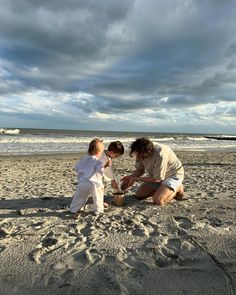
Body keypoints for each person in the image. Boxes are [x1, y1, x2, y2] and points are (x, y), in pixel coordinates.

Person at [121, 137, 184, 205]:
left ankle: (178, 187)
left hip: (173, 175)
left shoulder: (160, 153)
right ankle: (163, 189)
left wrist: (136, 179)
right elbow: (140, 170)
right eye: (138, 155)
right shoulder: (140, 152)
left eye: (141, 155)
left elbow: (157, 179)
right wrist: (130, 178)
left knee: (158, 200)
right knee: (139, 195)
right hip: (157, 176)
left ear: (149, 151)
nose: (139, 157)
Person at [70, 138, 111, 216]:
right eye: (101, 152)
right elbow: (100, 171)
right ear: (99, 152)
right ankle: (98, 210)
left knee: (79, 197)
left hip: (82, 182)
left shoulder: (82, 159)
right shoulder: (97, 161)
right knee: (98, 198)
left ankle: (74, 209)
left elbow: (77, 167)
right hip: (94, 184)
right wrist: (105, 166)